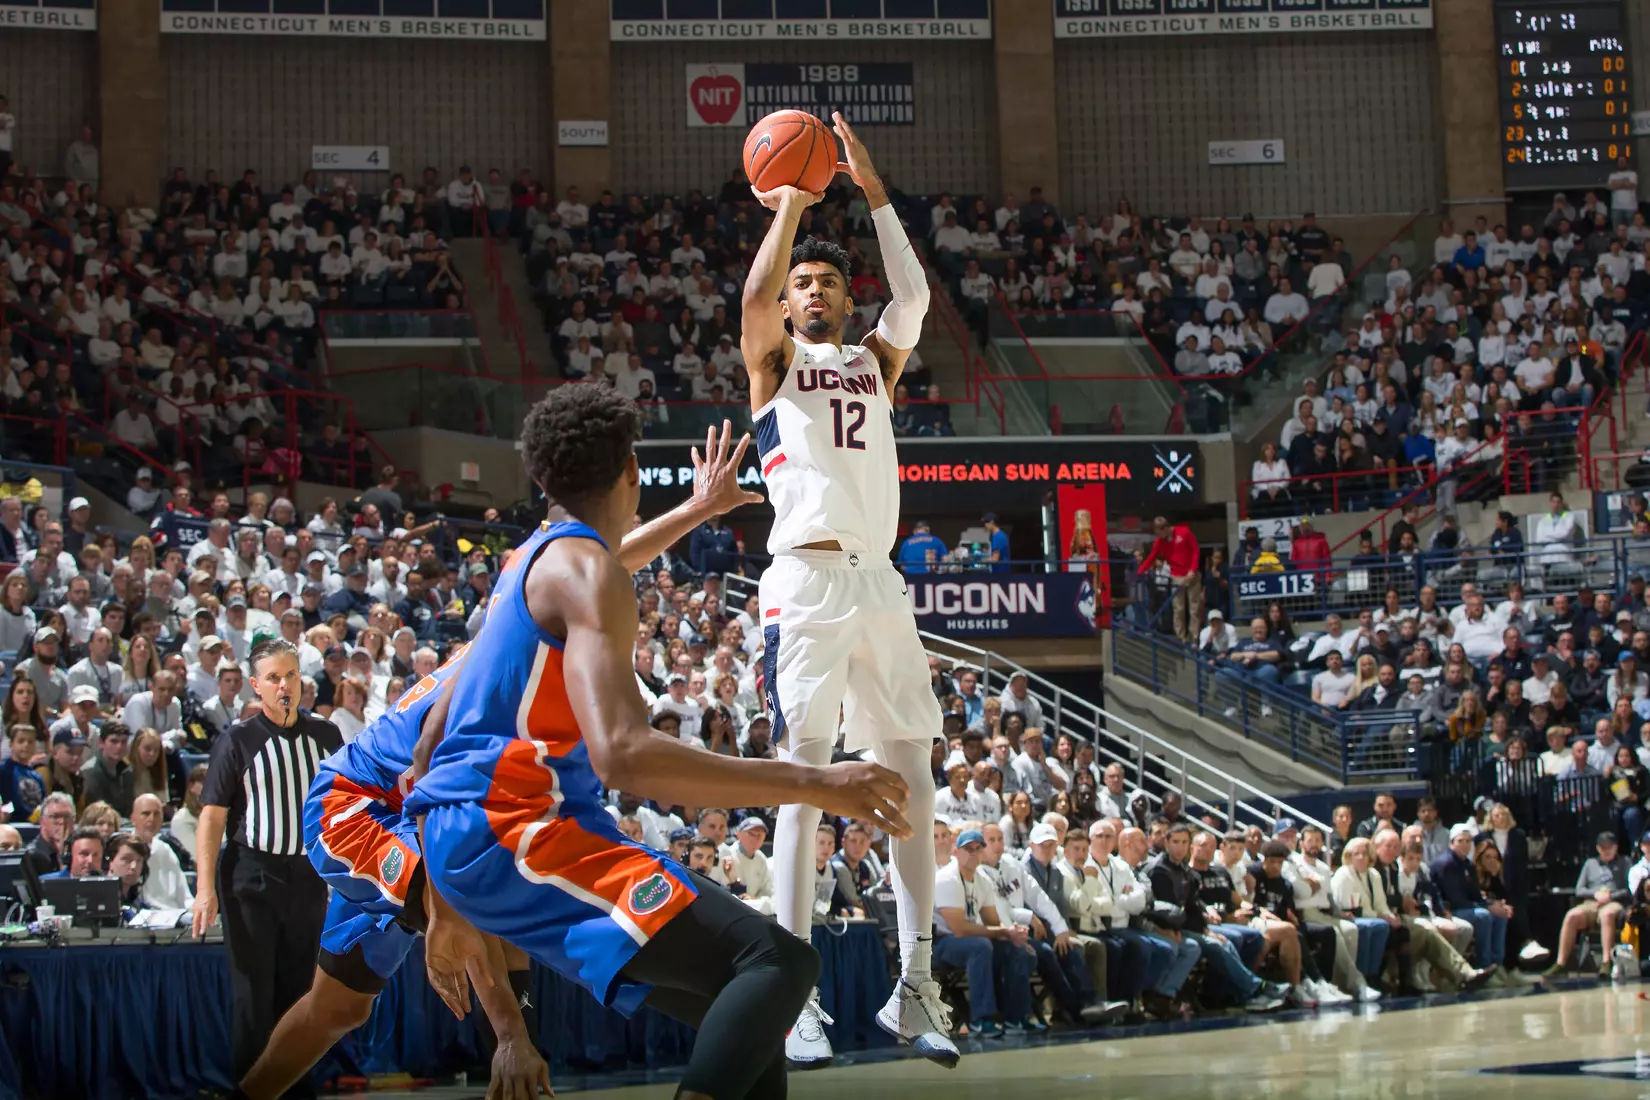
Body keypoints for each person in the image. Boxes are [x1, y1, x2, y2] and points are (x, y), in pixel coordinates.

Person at [403, 388, 920, 1100]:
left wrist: (443, 904)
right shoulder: (585, 574)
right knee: (780, 964)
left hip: (467, 839)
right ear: (629, 475)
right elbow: (623, 753)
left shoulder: (529, 563)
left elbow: (430, 740)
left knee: (740, 1007)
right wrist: (813, 781)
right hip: (518, 832)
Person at [733, 112, 956, 1068]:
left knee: (910, 781)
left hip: (881, 584)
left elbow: (914, 297)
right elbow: (749, 298)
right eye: (802, 285)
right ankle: (793, 998)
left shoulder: (877, 360)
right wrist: (786, 206)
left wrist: (874, 192)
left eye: (826, 281)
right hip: (806, 582)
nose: (812, 290)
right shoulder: (773, 365)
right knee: (805, 782)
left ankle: (915, 987)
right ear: (789, 306)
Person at [236, 648, 549, 1100]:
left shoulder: (517, 661)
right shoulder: (494, 686)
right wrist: (510, 1033)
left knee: (339, 1008)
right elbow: (434, 791)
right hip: (353, 808)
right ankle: (512, 1047)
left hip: (406, 815)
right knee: (472, 908)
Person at [191, 639, 346, 1090]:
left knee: (301, 995)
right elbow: (212, 815)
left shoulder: (326, 736)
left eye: (291, 676)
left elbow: (340, 804)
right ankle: (252, 1090)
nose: (284, 686)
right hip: (250, 876)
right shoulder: (237, 740)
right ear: (256, 686)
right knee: (253, 995)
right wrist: (204, 889)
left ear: (302, 680)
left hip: (307, 878)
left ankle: (296, 1090)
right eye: (274, 678)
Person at [1547, 830, 1633, 976]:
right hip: (1591, 902)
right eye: (1602, 847)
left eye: (1609, 847)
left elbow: (1629, 889)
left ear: (1616, 847)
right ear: (1598, 848)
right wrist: (1595, 894)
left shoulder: (1625, 862)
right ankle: (1561, 963)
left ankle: (1606, 962)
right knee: (1571, 916)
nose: (1605, 851)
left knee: (1607, 914)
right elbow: (1579, 889)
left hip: (1614, 902)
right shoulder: (1590, 864)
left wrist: (1610, 896)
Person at [1137, 516, 1202, 644]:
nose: (1159, 536)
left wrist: (1193, 569)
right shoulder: (1159, 542)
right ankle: (1181, 636)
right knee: (1178, 608)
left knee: (1194, 607)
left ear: (1166, 528)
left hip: (1191, 573)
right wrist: (1140, 570)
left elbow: (1195, 550)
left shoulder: (1184, 532)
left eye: (1159, 532)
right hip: (1176, 575)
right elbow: (1152, 557)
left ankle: (1194, 636)